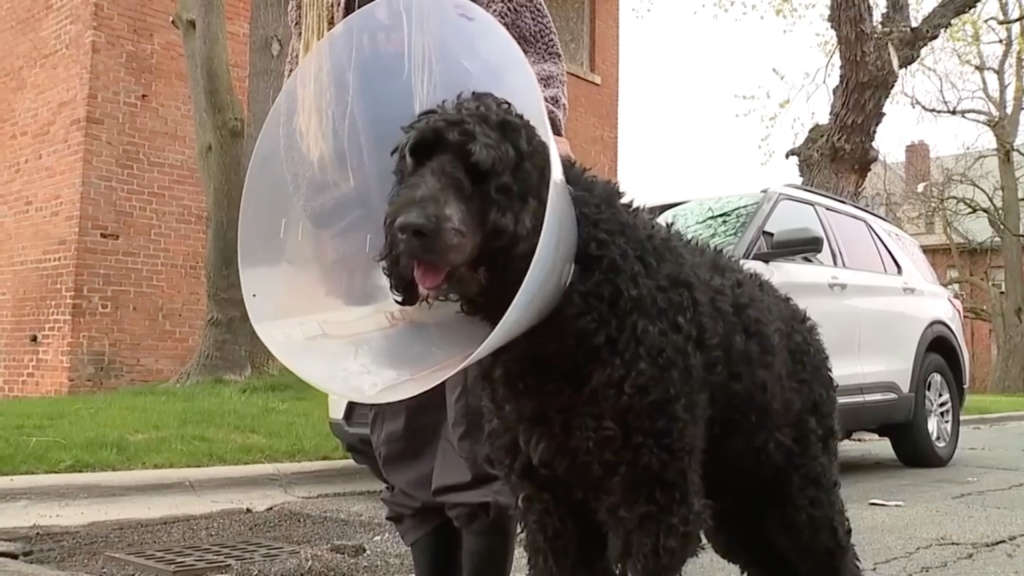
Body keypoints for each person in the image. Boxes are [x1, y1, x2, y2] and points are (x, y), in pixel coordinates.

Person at [281, 1, 572, 575]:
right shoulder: (311, 10)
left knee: (475, 445)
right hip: (386, 232)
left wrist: (549, 136)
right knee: (407, 446)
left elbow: (532, 58)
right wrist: (331, 223)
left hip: (472, 233)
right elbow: (301, 107)